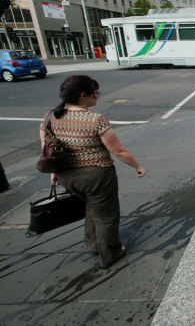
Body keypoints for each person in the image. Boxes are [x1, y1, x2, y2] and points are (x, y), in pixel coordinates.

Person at [40, 75, 146, 269]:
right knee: (106, 215)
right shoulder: (95, 120)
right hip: (96, 176)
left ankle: (93, 244)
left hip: (67, 176)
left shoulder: (50, 116)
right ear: (83, 96)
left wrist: (54, 173)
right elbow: (118, 151)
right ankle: (111, 253)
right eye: (95, 93)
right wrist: (138, 166)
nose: (97, 96)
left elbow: (47, 149)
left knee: (91, 206)